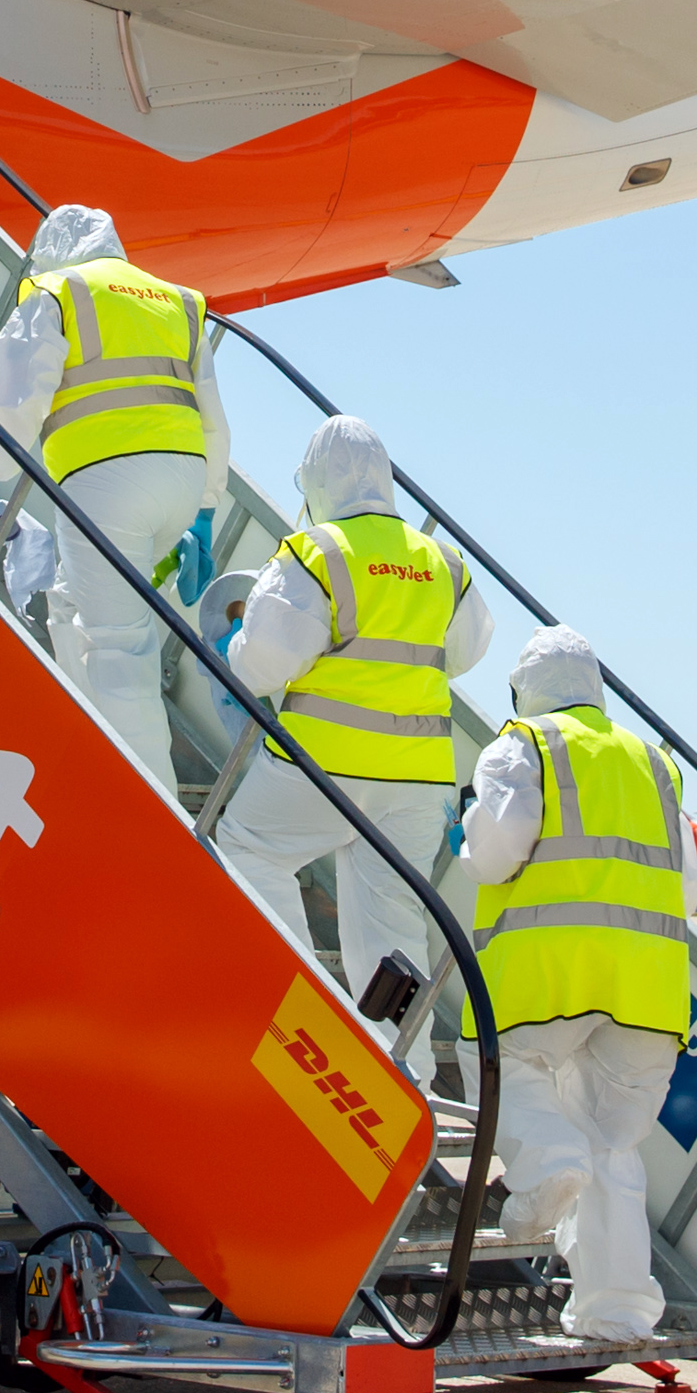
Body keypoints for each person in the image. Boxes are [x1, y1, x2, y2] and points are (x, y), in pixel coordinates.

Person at [215, 416, 494, 1083]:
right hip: (417, 781)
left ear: (316, 481)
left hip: (322, 769)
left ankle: (302, 1005)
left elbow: (264, 664)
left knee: (247, 850)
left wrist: (235, 646)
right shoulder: (443, 562)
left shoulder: (318, 552)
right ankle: (406, 1079)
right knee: (392, 930)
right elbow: (464, 651)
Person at [465, 624, 697, 1343]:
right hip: (648, 986)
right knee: (613, 1148)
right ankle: (616, 1310)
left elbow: (495, 855)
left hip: (549, 971)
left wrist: (469, 830)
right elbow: (687, 890)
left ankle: (545, 1162)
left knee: (499, 1067)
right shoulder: (654, 763)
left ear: (525, 689)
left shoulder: (523, 746)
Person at [0, 204, 227, 789]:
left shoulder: (58, 291)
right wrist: (206, 511)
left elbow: (14, 393)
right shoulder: (176, 301)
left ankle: (150, 800)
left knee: (119, 649)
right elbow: (213, 418)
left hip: (106, 485)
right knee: (69, 603)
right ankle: (87, 753)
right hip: (180, 482)